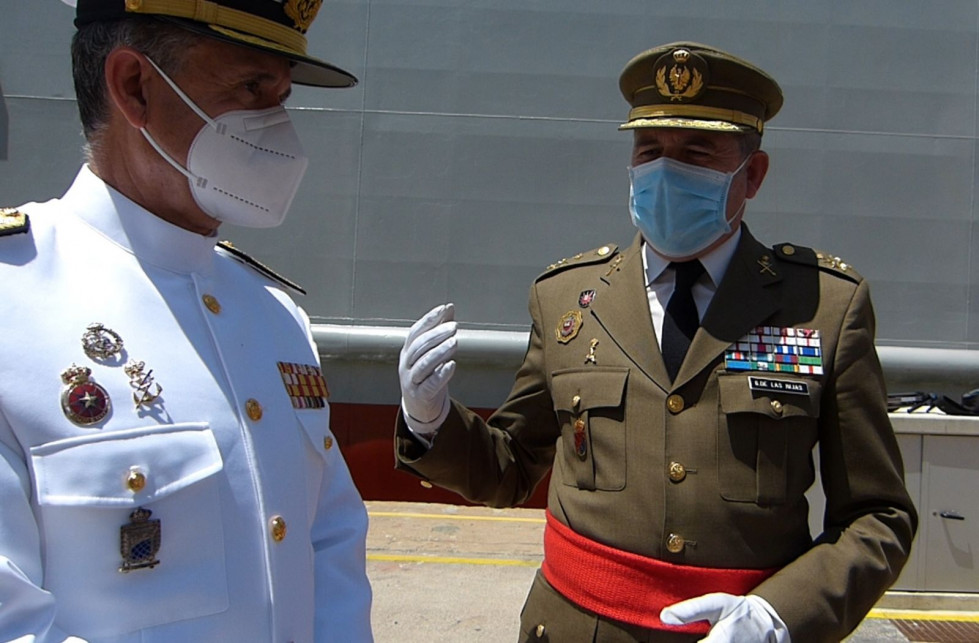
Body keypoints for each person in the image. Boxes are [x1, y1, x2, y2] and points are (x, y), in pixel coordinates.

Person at [394, 42, 916, 643]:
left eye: (696, 152)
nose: (667, 171)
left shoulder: (823, 308)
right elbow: (508, 470)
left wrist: (781, 614)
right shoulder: (567, 299)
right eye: (650, 151)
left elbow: (880, 516)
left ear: (753, 174)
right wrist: (429, 421)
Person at [0, 1, 372, 641]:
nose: (277, 127)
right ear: (134, 87)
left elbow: (329, 543)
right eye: (252, 88)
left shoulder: (274, 314)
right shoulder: (13, 301)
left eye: (282, 97)